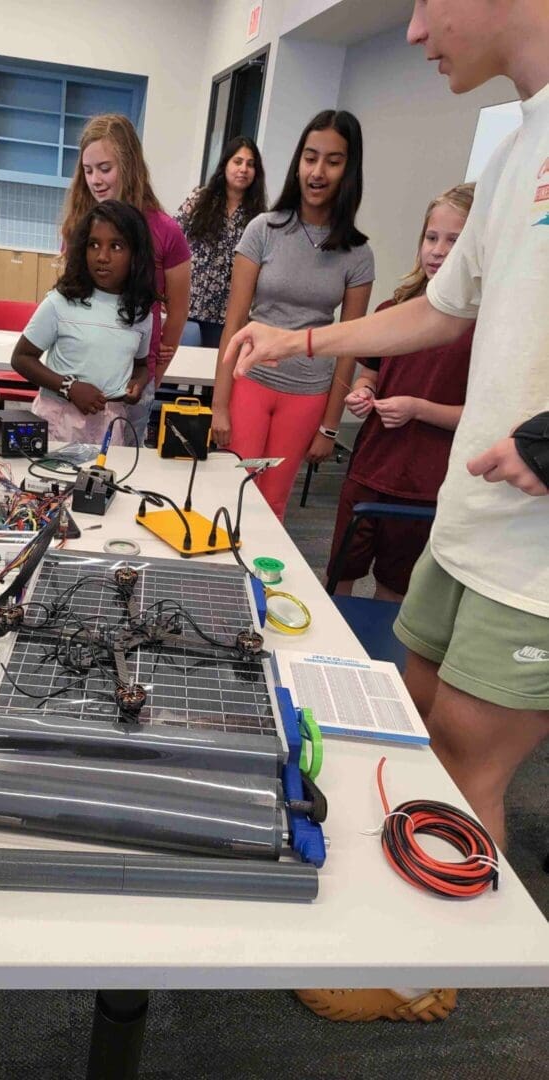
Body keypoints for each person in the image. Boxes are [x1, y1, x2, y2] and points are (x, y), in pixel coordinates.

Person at [227, 0, 549, 1026]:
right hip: (472, 516)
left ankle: (425, 980)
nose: (413, 31)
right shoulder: (521, 140)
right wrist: (307, 343)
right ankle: (404, 928)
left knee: (469, 755)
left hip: (539, 553)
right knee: (416, 728)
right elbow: (445, 305)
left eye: (426, 1)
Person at [211, 110, 375, 521]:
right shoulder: (262, 230)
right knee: (233, 494)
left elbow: (349, 345)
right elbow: (234, 323)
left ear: (349, 169)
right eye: (309, 157)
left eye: (333, 161)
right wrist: (220, 405)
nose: (317, 172)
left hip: (307, 394)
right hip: (250, 382)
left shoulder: (358, 254)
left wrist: (331, 426)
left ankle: (258, 584)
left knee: (273, 503)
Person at [328, 183, 476, 602]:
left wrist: (418, 409)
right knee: (339, 575)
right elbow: (368, 374)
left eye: (454, 240)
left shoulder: (482, 329)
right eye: (432, 237)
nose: (438, 251)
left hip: (424, 484)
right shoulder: (393, 312)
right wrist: (362, 391)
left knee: (394, 592)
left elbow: (484, 416)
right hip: (369, 469)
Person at [60, 114, 190, 444]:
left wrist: (153, 373)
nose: (95, 179)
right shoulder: (79, 224)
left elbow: (177, 311)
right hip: (80, 373)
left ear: (129, 164)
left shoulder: (165, 230)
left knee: (119, 471)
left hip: (133, 382)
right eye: (88, 170)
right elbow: (66, 302)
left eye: (105, 168)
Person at [11, 201, 155, 444]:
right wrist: (70, 387)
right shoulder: (61, 302)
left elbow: (140, 365)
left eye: (116, 246)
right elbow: (21, 358)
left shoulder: (139, 313)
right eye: (94, 245)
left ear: (135, 254)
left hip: (110, 424)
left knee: (102, 482)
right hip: (60, 420)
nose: (102, 256)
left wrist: (138, 383)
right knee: (53, 481)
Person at [174, 136, 267, 349]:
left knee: (212, 377)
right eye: (238, 161)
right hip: (188, 307)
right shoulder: (199, 199)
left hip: (227, 317)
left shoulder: (260, 217)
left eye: (250, 164)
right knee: (178, 374)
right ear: (225, 164)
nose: (243, 169)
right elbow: (171, 240)